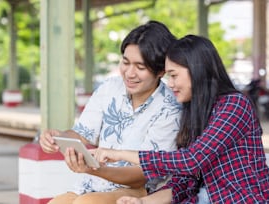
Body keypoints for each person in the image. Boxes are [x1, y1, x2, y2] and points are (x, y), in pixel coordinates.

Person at [92, 35, 269, 203]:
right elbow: (183, 182)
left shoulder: (234, 105)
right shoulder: (193, 113)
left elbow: (191, 160)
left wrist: (118, 154)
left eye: (174, 75)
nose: (170, 83)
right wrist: (142, 202)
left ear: (196, 70)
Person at [39, 20, 182, 204]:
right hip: (93, 184)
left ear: (161, 70)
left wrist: (92, 168)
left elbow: (141, 176)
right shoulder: (110, 88)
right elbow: (82, 134)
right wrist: (58, 136)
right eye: (125, 62)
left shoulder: (170, 109)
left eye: (140, 67)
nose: (129, 73)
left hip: (141, 191)